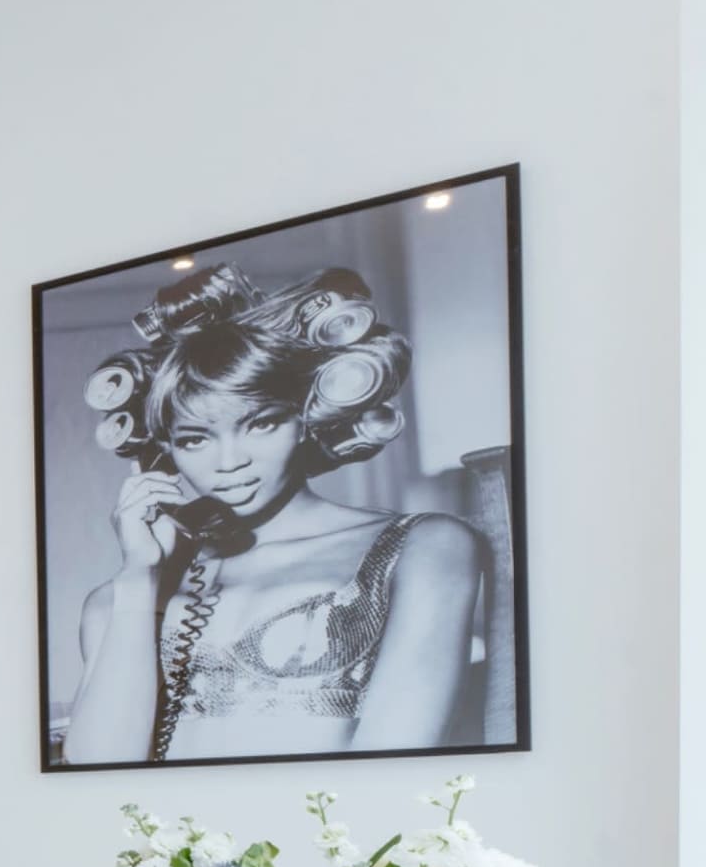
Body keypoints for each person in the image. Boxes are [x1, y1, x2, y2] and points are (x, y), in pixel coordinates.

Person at [60, 265, 484, 765]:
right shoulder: (117, 600)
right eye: (195, 438)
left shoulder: (424, 548)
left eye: (260, 424)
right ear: (164, 451)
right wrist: (138, 580)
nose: (229, 462)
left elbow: (397, 766)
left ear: (304, 419)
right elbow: (98, 772)